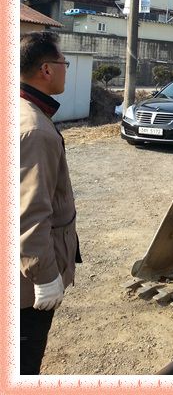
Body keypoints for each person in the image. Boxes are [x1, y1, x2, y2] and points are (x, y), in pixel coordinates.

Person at [20, 32, 81, 375]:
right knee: (24, 364)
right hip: (27, 286)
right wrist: (44, 276)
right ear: (46, 69)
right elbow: (28, 215)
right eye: (64, 63)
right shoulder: (35, 130)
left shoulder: (22, 111)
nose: (66, 70)